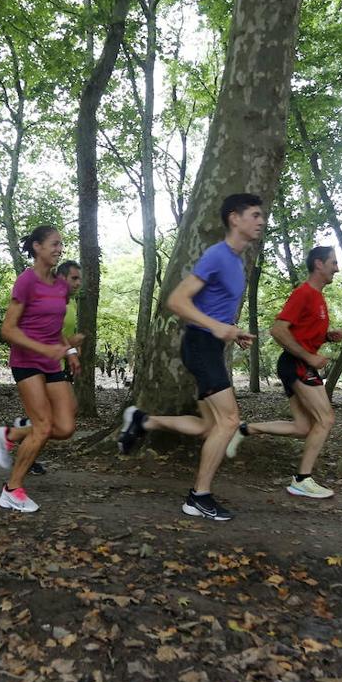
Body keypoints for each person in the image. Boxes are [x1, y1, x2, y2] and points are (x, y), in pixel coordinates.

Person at [116, 193, 266, 521]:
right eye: (254, 215)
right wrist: (217, 327)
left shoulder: (237, 262)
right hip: (199, 345)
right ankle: (198, 496)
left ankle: (143, 420)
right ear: (234, 218)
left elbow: (213, 308)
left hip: (210, 346)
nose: (260, 221)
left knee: (208, 426)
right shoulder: (217, 255)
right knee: (229, 421)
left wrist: (231, 330)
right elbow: (177, 300)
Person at [225, 246, 342, 499]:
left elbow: (301, 333)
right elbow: (278, 330)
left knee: (303, 427)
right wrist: (308, 356)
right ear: (318, 264)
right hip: (297, 364)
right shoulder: (304, 293)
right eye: (333, 262)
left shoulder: (318, 297)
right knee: (326, 420)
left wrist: (325, 337)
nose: (337, 267)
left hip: (298, 363)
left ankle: (246, 429)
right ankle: (302, 480)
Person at [0, 227, 80, 512]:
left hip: (51, 361)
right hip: (26, 361)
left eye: (61, 245)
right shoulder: (26, 281)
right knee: (42, 426)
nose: (59, 249)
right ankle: (12, 489)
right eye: (54, 244)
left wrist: (70, 351)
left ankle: (10, 435)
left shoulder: (61, 287)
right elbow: (7, 330)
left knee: (64, 427)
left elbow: (55, 327)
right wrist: (43, 349)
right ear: (37, 247)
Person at [14, 260, 83, 475]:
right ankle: (21, 441)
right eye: (74, 278)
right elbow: (35, 331)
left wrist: (70, 351)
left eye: (80, 279)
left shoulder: (70, 304)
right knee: (46, 423)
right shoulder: (49, 297)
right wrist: (70, 345)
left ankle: (23, 430)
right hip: (34, 363)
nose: (78, 283)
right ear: (61, 279)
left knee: (68, 414)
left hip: (56, 363)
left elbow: (57, 333)